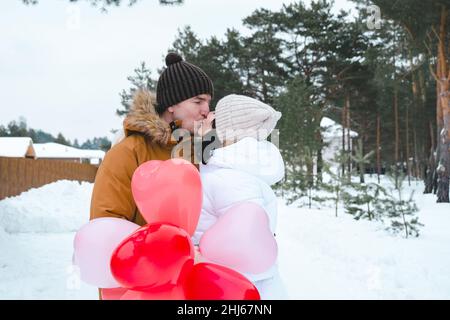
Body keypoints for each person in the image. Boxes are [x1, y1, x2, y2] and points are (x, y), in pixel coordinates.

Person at [90, 52, 213, 226]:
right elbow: (106, 226)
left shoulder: (201, 152)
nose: (206, 110)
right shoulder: (128, 153)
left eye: (208, 101)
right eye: (198, 101)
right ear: (171, 104)